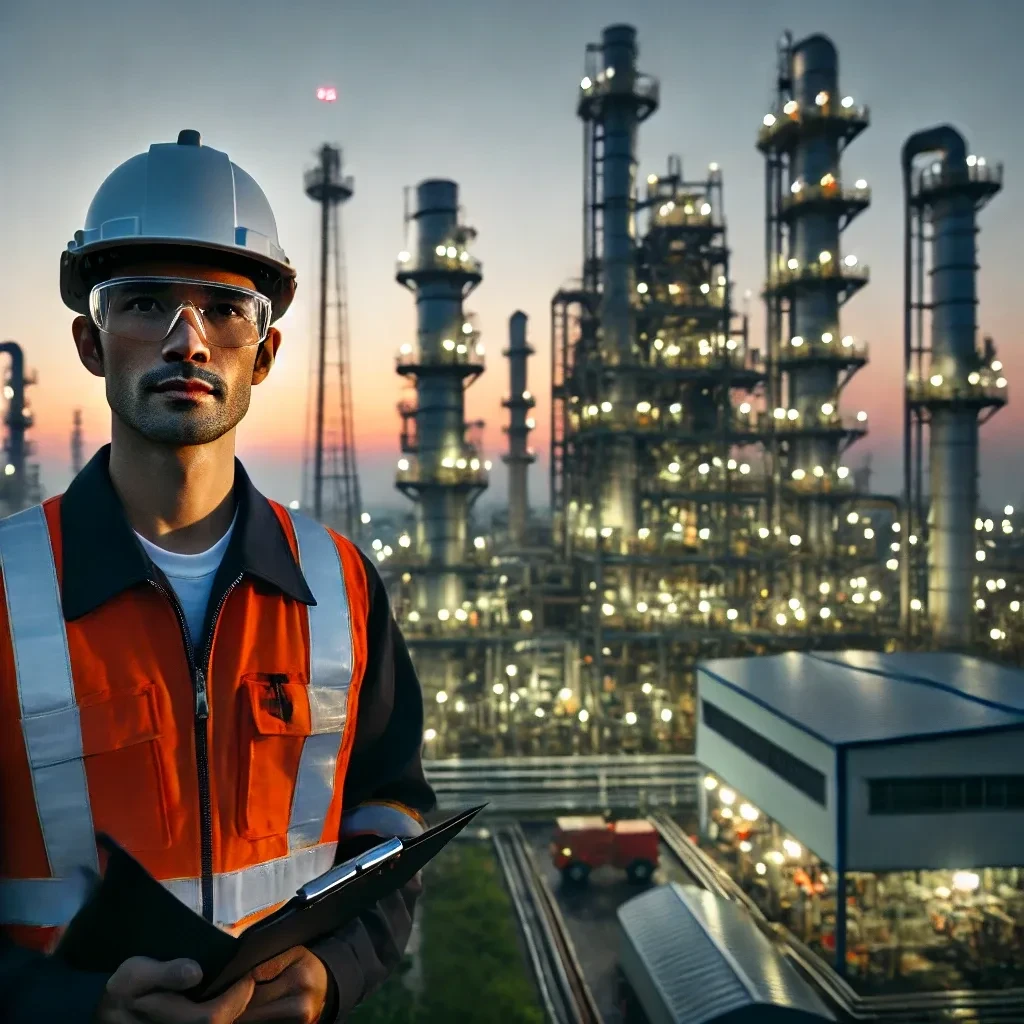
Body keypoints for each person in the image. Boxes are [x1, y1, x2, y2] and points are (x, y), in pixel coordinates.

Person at [0, 130, 436, 1023]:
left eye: (225, 309)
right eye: (147, 303)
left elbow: (391, 820)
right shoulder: (4, 592)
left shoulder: (342, 586)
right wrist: (73, 1008)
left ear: (263, 356)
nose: (186, 340)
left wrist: (333, 973)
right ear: (92, 342)